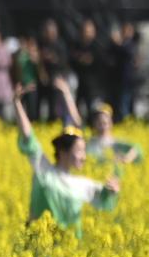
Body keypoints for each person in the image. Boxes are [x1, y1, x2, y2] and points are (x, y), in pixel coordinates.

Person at [13, 84, 119, 240]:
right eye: (79, 151)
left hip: (67, 252)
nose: (83, 156)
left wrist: (112, 191)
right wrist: (17, 104)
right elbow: (30, 139)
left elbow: (104, 199)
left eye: (84, 151)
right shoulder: (45, 172)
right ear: (63, 152)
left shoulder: (82, 184)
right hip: (38, 244)